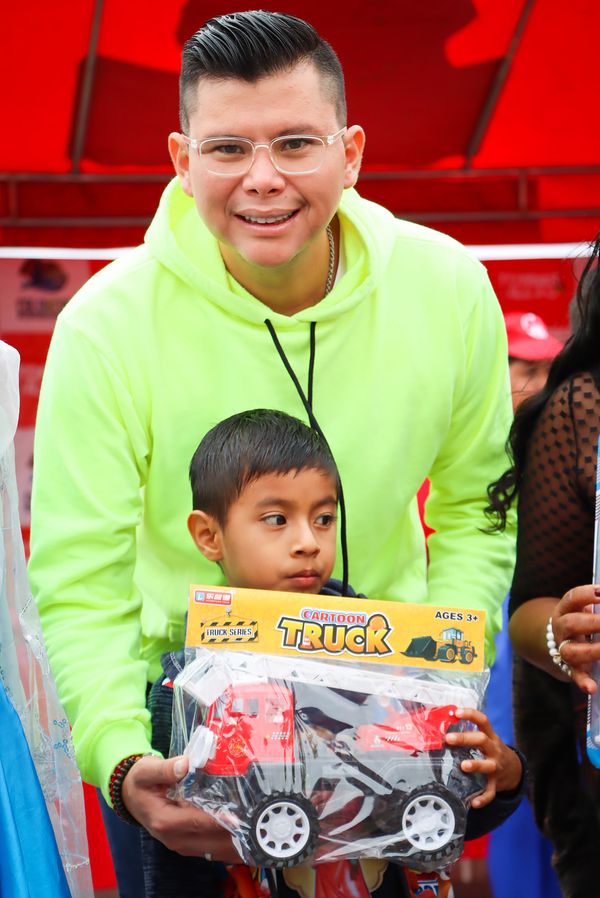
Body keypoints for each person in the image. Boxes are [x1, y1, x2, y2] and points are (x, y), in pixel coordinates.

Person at [28, 10, 516, 895]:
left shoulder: (448, 287)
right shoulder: (106, 324)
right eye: (227, 149)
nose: (262, 179)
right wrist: (121, 757)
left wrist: (445, 681)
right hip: (185, 722)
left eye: (295, 143)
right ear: (182, 161)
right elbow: (78, 575)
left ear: (350, 152)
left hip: (393, 707)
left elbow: (479, 509)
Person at [141, 408, 525, 898]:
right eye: (276, 520)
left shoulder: (389, 657)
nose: (308, 542)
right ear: (208, 535)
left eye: (323, 519)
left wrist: (505, 775)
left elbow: (447, 812)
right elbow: (173, 845)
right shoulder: (192, 682)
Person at [486, 235, 600, 898]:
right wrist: (561, 632)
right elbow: (532, 605)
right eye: (516, 363)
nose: (525, 376)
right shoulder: (579, 409)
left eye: (536, 361)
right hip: (523, 666)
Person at [485, 311, 563, 898]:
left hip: (554, 615)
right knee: (509, 766)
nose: (536, 383)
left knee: (561, 771)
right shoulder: (472, 449)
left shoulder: (565, 442)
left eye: (546, 369)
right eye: (524, 367)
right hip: (494, 616)